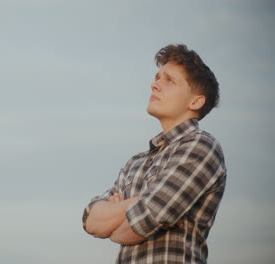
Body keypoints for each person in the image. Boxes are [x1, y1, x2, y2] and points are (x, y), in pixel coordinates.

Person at [82, 44, 226, 264]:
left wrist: (118, 218)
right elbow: (91, 220)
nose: (155, 85)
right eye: (157, 77)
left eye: (169, 80)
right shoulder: (136, 162)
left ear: (196, 101)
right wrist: (144, 202)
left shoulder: (201, 146)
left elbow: (136, 227)